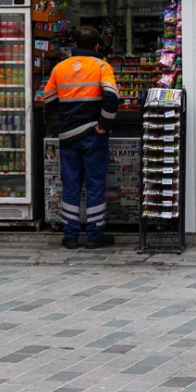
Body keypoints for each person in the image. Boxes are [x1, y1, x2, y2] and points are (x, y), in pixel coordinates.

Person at [44, 27, 119, 249]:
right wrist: (104, 125)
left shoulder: (60, 67)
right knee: (95, 183)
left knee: (71, 184)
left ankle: (70, 236)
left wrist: (69, 108)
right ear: (97, 46)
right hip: (93, 135)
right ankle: (95, 236)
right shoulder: (102, 66)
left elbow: (49, 101)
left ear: (74, 43)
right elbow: (112, 97)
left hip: (68, 135)